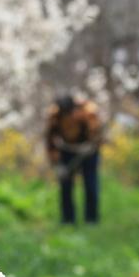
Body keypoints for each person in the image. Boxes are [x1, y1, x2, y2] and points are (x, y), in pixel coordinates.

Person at [45, 94, 102, 224]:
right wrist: (56, 163)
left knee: (90, 185)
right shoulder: (54, 116)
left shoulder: (88, 112)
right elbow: (50, 140)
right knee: (65, 186)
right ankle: (68, 220)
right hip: (66, 151)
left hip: (88, 151)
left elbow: (97, 134)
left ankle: (91, 220)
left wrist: (91, 146)